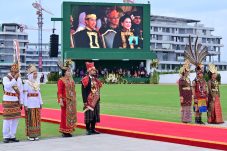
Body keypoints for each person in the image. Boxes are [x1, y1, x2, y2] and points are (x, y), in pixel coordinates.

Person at [184, 36, 209, 124]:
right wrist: (194, 97)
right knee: (197, 109)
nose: (201, 74)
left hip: (202, 96)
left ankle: (200, 120)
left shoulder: (203, 81)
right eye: (200, 73)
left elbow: (205, 88)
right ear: (198, 73)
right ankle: (196, 120)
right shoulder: (195, 81)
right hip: (197, 96)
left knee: (202, 109)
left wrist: (206, 95)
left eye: (202, 72)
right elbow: (193, 89)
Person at [2, 63, 23, 143]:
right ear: (10, 71)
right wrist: (14, 79)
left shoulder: (19, 79)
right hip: (8, 100)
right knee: (7, 119)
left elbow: (20, 91)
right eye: (13, 72)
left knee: (15, 119)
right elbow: (7, 87)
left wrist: (21, 101)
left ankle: (12, 135)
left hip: (16, 100)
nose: (15, 73)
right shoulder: (6, 78)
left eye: (16, 72)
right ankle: (6, 136)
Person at [57, 59, 77, 137]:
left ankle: (69, 130)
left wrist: (74, 98)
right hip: (65, 101)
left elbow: (73, 90)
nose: (69, 73)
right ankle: (64, 131)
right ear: (64, 73)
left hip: (71, 101)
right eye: (68, 71)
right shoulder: (61, 80)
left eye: (69, 71)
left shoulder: (71, 80)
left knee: (70, 115)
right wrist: (60, 100)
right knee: (64, 116)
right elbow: (59, 91)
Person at [81, 62, 102, 135]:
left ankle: (93, 128)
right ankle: (87, 129)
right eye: (93, 70)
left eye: (95, 70)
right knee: (89, 115)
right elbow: (83, 91)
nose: (95, 71)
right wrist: (84, 101)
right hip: (89, 100)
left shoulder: (96, 80)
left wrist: (98, 98)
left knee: (95, 115)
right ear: (89, 71)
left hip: (96, 100)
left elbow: (98, 89)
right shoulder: (85, 79)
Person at [23, 64, 43, 141]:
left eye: (36, 74)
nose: (35, 75)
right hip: (30, 104)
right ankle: (30, 135)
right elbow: (25, 95)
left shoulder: (36, 83)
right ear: (31, 74)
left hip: (36, 104)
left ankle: (36, 134)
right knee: (31, 120)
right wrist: (25, 104)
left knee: (37, 119)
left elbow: (39, 94)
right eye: (34, 74)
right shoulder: (26, 83)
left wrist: (41, 103)